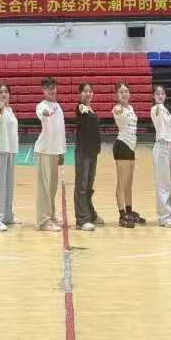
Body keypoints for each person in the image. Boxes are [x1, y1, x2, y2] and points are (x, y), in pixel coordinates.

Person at [35, 77, 66, 232]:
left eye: (53, 87)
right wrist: (45, 113)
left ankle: (51, 215)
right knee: (45, 187)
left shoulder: (58, 106)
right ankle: (43, 221)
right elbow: (42, 113)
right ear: (43, 90)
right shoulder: (41, 106)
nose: (51, 90)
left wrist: (61, 152)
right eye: (48, 88)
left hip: (55, 152)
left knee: (53, 187)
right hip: (45, 151)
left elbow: (60, 131)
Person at [0, 84, 19, 231]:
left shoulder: (10, 110)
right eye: (1, 92)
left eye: (6, 92)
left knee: (8, 186)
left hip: (10, 150)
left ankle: (7, 215)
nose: (4, 94)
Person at [112, 82, 142, 228]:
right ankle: (122, 215)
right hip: (122, 145)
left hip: (131, 147)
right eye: (121, 92)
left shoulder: (130, 108)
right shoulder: (117, 108)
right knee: (122, 182)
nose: (124, 94)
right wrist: (118, 109)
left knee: (129, 183)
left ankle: (129, 211)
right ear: (117, 95)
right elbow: (117, 111)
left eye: (126, 91)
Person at [73, 82, 103, 231]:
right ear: (80, 94)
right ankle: (81, 219)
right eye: (85, 91)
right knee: (82, 186)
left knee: (89, 186)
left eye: (90, 91)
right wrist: (83, 108)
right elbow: (82, 117)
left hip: (92, 152)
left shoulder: (91, 108)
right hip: (83, 152)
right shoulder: (80, 108)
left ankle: (90, 214)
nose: (88, 94)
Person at [150, 85, 171, 228]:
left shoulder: (166, 110)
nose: (160, 96)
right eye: (157, 94)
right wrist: (159, 106)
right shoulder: (156, 109)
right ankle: (164, 217)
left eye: (162, 93)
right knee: (163, 183)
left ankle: (169, 213)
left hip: (170, 146)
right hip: (161, 146)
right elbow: (157, 114)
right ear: (153, 96)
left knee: (169, 182)